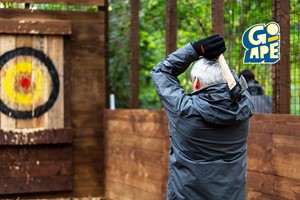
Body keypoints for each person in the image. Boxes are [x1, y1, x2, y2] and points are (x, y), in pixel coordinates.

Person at [151, 34, 254, 200]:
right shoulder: (244, 107)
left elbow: (162, 71)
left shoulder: (185, 110)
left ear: (196, 82)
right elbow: (235, 85)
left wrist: (195, 49)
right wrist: (219, 62)